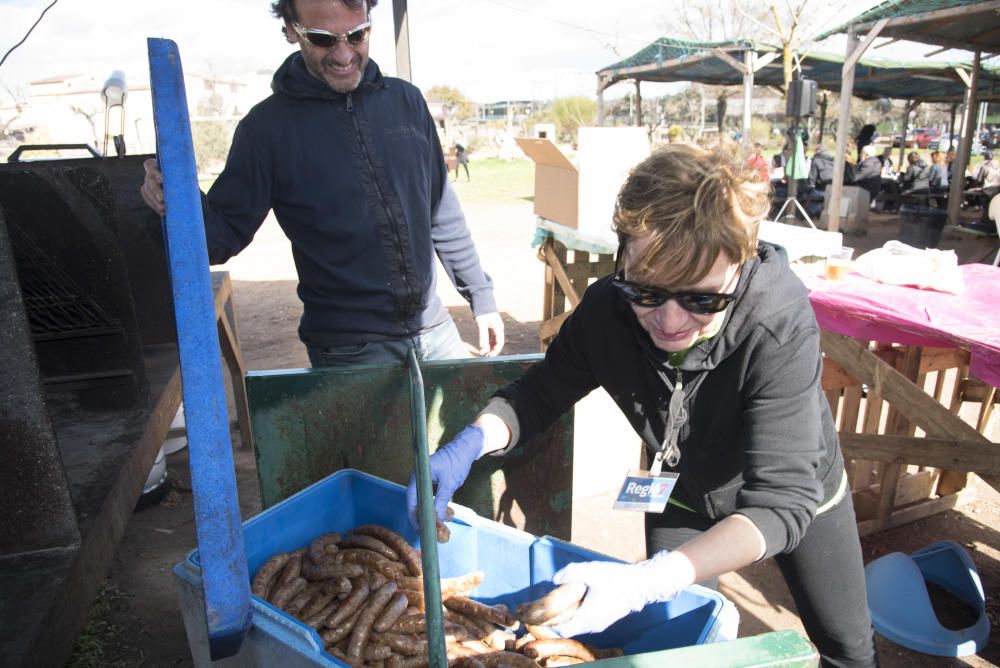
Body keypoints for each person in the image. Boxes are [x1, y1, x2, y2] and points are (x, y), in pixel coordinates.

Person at [409, 143, 878, 668]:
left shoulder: (778, 321)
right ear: (621, 260)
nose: (671, 321)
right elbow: (538, 395)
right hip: (680, 491)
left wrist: (650, 578)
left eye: (702, 299)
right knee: (677, 648)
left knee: (847, 646)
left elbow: (781, 502)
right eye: (647, 292)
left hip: (793, 494)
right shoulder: (606, 312)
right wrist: (470, 443)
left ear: (741, 265)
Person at [139, 0, 504, 367]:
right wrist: (175, 202)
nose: (344, 54)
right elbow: (220, 237)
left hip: (435, 329)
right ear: (290, 31)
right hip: (350, 351)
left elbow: (441, 211)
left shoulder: (406, 101)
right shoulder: (265, 130)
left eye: (357, 35)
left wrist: (481, 297)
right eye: (322, 39)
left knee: (467, 424)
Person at [852, 144, 883, 209]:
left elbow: (860, 176)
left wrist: (850, 178)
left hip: (867, 188)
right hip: (872, 187)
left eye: (861, 153)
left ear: (866, 154)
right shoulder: (875, 161)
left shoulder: (869, 163)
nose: (860, 154)